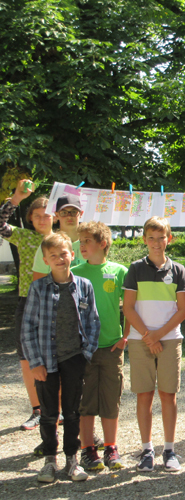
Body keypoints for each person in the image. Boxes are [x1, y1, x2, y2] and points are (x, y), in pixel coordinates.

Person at [22, 232, 100, 483]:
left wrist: (85, 354)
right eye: (53, 255)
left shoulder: (84, 286)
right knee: (48, 413)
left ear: (72, 255)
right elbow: (28, 328)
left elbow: (93, 322)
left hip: (74, 357)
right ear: (45, 259)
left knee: (72, 411)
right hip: (45, 360)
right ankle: (49, 461)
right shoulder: (38, 288)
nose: (59, 259)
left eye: (63, 254)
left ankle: (72, 460)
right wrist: (35, 362)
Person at [122, 216, 185, 473]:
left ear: (168, 239)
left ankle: (169, 450)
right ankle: (147, 449)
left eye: (161, 237)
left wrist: (158, 335)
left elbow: (182, 310)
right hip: (141, 341)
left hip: (170, 340)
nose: (156, 243)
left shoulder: (179, 270)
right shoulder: (135, 269)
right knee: (144, 394)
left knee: (168, 395)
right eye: (151, 238)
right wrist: (147, 336)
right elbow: (128, 307)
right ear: (144, 240)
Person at [72, 222, 129, 471]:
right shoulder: (74, 271)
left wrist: (125, 337)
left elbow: (130, 308)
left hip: (111, 348)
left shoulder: (119, 271)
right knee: (85, 401)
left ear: (102, 243)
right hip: (82, 349)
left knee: (110, 399)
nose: (81, 245)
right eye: (80, 241)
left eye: (86, 241)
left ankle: (111, 447)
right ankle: (87, 449)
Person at [0, 180, 54, 431]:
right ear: (30, 219)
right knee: (26, 357)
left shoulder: (65, 238)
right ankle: (37, 410)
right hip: (28, 301)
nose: (43, 220)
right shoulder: (24, 237)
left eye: (47, 215)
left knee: (60, 356)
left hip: (59, 302)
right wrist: (15, 200)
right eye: (37, 216)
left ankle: (60, 408)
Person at [31, 193, 85, 280]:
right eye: (64, 212)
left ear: (81, 213)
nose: (69, 216)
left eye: (74, 212)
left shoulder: (90, 243)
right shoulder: (47, 244)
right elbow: (38, 284)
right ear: (56, 215)